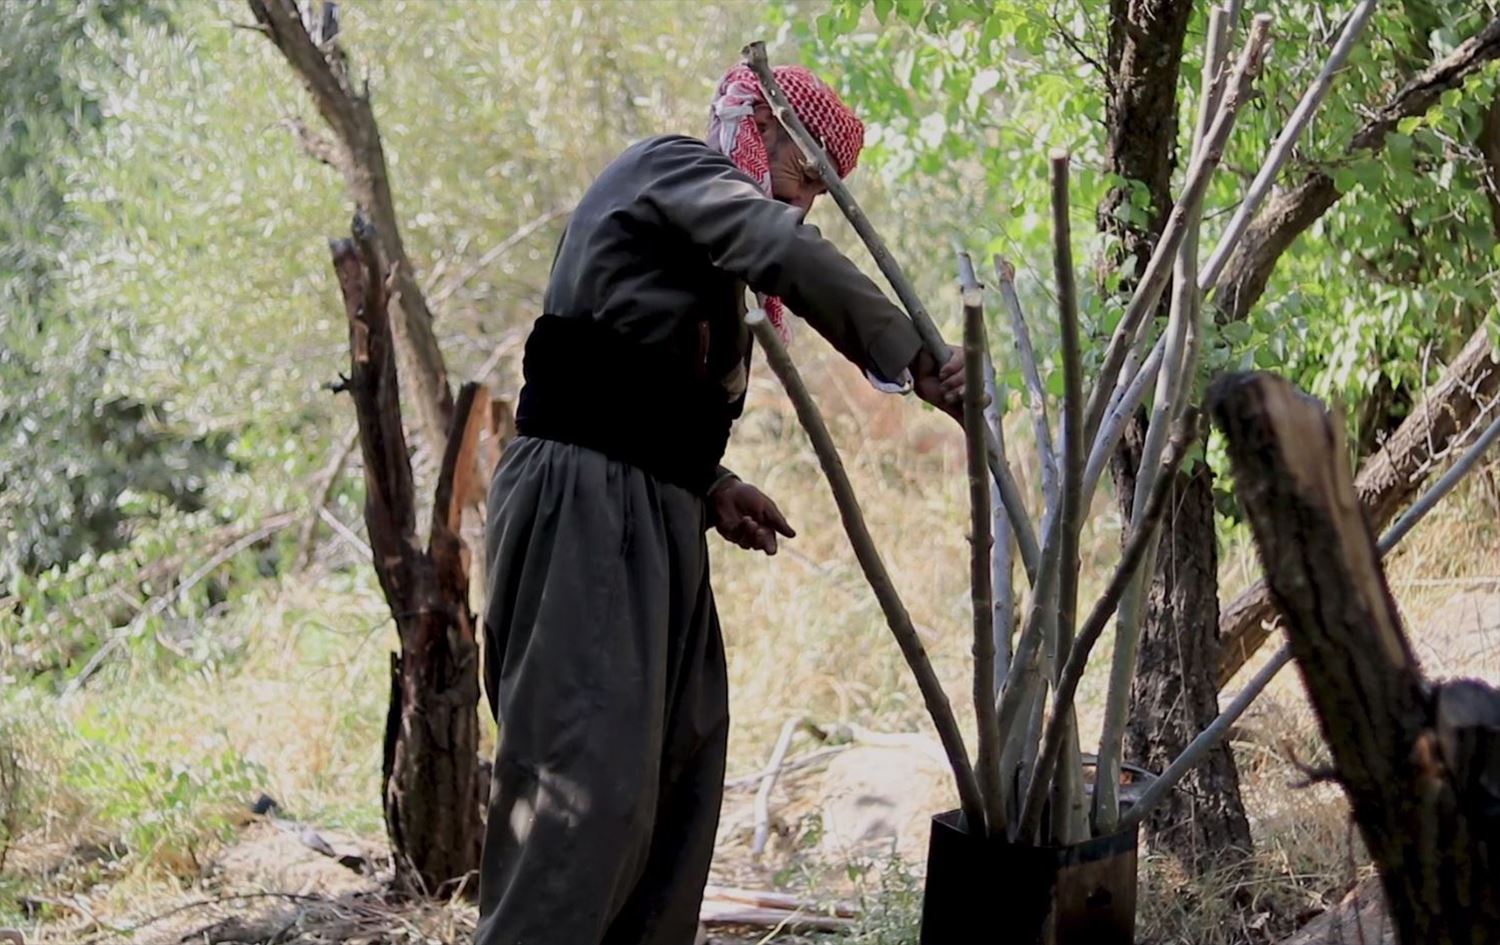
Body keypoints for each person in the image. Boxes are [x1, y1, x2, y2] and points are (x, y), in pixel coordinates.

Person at [475, 62, 965, 945]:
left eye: (819, 190)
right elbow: (777, 248)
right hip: (582, 510)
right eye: (804, 176)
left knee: (678, 771)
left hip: (648, 515)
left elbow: (635, 381)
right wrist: (911, 356)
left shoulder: (701, 236)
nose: (804, 204)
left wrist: (707, 486)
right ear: (761, 124)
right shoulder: (673, 169)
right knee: (583, 793)